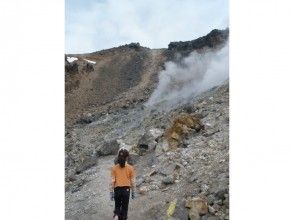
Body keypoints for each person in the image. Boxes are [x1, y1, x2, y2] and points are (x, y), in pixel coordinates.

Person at [110, 148, 135, 220]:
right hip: (126, 190)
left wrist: (111, 192)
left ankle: (116, 216)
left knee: (117, 208)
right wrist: (133, 192)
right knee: (124, 209)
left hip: (117, 190)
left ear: (118, 157)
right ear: (127, 157)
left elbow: (112, 181)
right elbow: (132, 181)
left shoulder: (114, 168)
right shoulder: (130, 168)